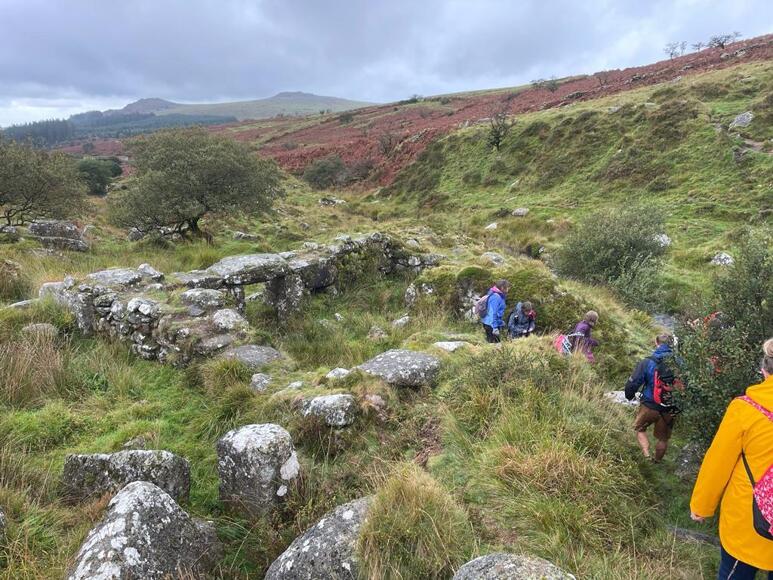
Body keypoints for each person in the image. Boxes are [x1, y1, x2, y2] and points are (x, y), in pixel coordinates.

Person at [690, 338, 773, 579]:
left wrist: (701, 506)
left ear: (764, 370)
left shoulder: (746, 409)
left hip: (748, 520)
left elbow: (718, 462)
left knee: (734, 572)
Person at [624, 334, 679, 462]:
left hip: (649, 404)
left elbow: (634, 382)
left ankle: (647, 455)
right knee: (663, 439)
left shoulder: (648, 362)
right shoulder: (680, 362)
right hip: (670, 407)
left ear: (656, 343)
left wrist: (629, 396)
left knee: (639, 429)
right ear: (672, 345)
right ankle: (657, 461)